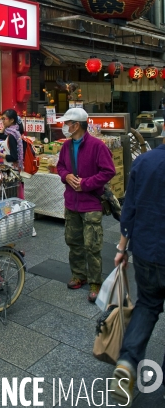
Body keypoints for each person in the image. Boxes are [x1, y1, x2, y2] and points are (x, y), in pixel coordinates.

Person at [110, 138, 165, 406]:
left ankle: (127, 361)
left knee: (147, 306)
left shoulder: (143, 162)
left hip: (145, 250)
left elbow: (128, 210)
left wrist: (122, 248)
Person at [56, 108, 116, 303]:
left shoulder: (97, 146)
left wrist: (85, 183)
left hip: (91, 203)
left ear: (76, 125)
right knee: (73, 242)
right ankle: (78, 275)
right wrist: (67, 176)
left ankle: (95, 282)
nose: (65, 127)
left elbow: (108, 171)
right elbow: (60, 167)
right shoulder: (66, 146)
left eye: (67, 123)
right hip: (71, 202)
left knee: (92, 245)